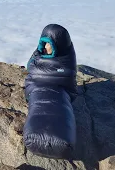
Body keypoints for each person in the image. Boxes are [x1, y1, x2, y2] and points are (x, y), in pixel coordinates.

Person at [23, 24, 77, 160]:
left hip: (60, 89)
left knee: (58, 104)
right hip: (37, 86)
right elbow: (31, 70)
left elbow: (66, 77)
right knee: (38, 103)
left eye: (49, 44)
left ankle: (62, 137)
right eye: (44, 43)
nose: (46, 47)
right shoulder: (38, 54)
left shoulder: (66, 59)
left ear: (59, 45)